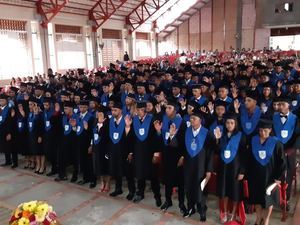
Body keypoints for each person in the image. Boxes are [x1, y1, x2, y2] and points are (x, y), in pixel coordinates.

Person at [248, 119, 286, 225]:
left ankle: (266, 219)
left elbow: (282, 162)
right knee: (256, 198)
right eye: (260, 130)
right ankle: (258, 218)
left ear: (270, 130)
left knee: (268, 199)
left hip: (270, 176)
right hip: (255, 175)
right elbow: (249, 158)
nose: (262, 133)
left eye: (265, 130)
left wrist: (278, 177)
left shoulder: (276, 143)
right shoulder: (253, 140)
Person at [153, 99, 187, 216]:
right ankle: (168, 201)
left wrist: (182, 157)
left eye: (169, 108)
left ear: (175, 110)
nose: (166, 110)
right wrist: (158, 132)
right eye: (166, 108)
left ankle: (182, 203)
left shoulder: (181, 123)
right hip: (167, 154)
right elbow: (162, 139)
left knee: (180, 181)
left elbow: (183, 143)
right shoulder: (164, 119)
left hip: (177, 156)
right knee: (168, 180)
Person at [125, 102, 162, 206]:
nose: (137, 112)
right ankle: (140, 193)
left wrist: (156, 153)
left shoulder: (152, 119)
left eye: (139, 110)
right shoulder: (135, 120)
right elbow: (131, 138)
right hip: (138, 152)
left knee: (153, 176)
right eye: (136, 110)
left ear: (144, 110)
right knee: (139, 174)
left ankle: (157, 196)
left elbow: (157, 138)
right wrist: (131, 152)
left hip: (149, 152)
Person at [183, 108, 214, 222]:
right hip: (189, 165)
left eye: (194, 118)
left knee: (201, 188)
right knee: (189, 187)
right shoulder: (186, 131)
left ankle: (202, 210)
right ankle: (190, 208)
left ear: (200, 120)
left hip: (201, 167)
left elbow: (211, 153)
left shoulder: (207, 133)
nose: (191, 120)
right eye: (191, 118)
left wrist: (209, 170)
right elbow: (183, 147)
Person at [214, 113, 246, 223]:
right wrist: (217, 140)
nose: (229, 125)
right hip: (223, 167)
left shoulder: (241, 136)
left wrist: (242, 171)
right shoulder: (221, 135)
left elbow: (244, 155)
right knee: (224, 191)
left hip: (235, 168)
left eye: (232, 123)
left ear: (236, 124)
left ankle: (233, 212)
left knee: (235, 191)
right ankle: (225, 212)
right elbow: (217, 151)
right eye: (227, 122)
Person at [272, 96, 300, 209]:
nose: (280, 106)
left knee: (288, 174)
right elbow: (272, 132)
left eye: (283, 104)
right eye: (279, 104)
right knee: (275, 173)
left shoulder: (295, 118)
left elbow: (298, 134)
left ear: (289, 106)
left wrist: (293, 149)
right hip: (277, 150)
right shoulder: (274, 117)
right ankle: (275, 198)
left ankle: (286, 200)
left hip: (290, 150)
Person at [55, 101, 78, 182]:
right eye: (64, 108)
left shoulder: (77, 117)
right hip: (64, 140)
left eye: (66, 108)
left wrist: (74, 126)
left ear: (71, 109)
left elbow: (79, 131)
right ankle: (62, 175)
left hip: (73, 141)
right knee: (61, 158)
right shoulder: (63, 117)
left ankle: (75, 176)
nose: (64, 110)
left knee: (75, 159)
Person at [76, 100, 96, 188]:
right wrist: (73, 126)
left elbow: (92, 132)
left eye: (84, 107)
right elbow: (78, 129)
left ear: (87, 107)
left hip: (88, 142)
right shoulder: (78, 116)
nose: (82, 108)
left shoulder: (91, 117)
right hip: (80, 142)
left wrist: (91, 145)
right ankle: (85, 178)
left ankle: (93, 180)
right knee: (83, 160)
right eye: (80, 107)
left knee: (90, 162)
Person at [92, 105, 110, 193]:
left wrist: (101, 124)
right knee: (99, 166)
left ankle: (107, 183)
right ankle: (102, 182)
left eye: (101, 113)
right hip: (97, 147)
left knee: (106, 166)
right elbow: (94, 134)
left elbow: (104, 134)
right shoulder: (95, 121)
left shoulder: (108, 122)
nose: (98, 114)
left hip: (105, 147)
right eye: (98, 113)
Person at [43, 97, 61, 176]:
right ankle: (53, 168)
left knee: (55, 154)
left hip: (54, 136)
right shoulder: (44, 112)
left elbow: (55, 123)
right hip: (47, 135)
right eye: (44, 105)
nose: (45, 107)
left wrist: (56, 112)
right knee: (49, 153)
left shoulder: (55, 113)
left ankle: (56, 169)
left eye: (47, 105)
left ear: (51, 105)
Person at [27, 97, 45, 174]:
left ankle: (42, 166)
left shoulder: (41, 113)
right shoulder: (31, 113)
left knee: (41, 151)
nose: (29, 106)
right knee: (36, 151)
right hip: (33, 134)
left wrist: (40, 136)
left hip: (39, 135)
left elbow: (41, 126)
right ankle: (38, 165)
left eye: (31, 104)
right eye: (29, 104)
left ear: (35, 105)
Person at [0, 93, 16, 167]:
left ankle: (15, 162)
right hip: (1, 130)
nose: (1, 102)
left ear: (6, 101)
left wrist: (9, 133)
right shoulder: (0, 109)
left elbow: (11, 122)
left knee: (12, 146)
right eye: (0, 101)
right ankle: (8, 161)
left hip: (8, 130)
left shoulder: (10, 109)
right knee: (5, 146)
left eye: (3, 101)